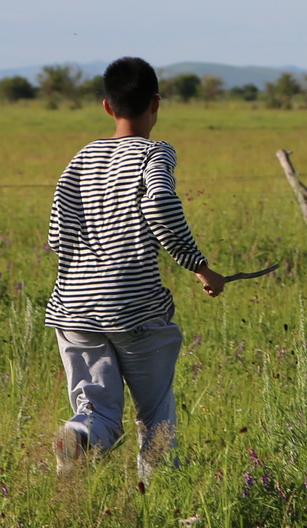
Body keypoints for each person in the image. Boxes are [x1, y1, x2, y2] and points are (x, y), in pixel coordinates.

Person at [45, 56, 226, 477]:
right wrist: (200, 267)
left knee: (97, 408)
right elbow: (160, 202)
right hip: (135, 305)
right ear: (156, 104)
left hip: (72, 305)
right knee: (155, 412)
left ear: (107, 106)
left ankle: (78, 434)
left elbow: (57, 233)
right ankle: (157, 496)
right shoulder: (155, 153)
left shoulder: (81, 157)